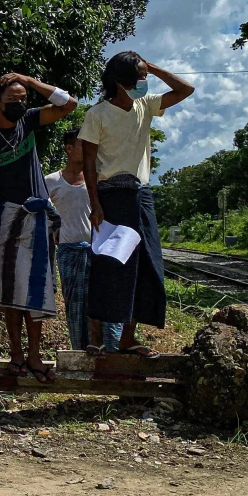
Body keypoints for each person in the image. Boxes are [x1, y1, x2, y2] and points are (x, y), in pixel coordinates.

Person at [0, 72, 77, 382]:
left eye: (23, 99)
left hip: (38, 216)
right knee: (13, 290)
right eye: (12, 100)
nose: (19, 104)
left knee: (39, 289)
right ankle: (16, 352)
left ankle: (35, 355)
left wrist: (30, 80)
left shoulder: (28, 121)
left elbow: (69, 104)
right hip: (10, 216)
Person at [80, 52, 194, 358]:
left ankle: (128, 339)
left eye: (146, 75)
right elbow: (88, 160)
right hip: (110, 194)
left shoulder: (146, 105)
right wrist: (94, 202)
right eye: (140, 76)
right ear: (120, 81)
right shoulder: (97, 114)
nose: (145, 81)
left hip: (140, 194)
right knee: (109, 264)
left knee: (144, 266)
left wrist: (153, 67)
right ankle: (96, 339)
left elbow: (185, 90)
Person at [45, 129, 123, 354]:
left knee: (105, 300)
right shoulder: (52, 181)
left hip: (99, 249)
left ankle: (110, 348)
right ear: (69, 149)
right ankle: (81, 350)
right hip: (69, 251)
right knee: (76, 304)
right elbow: (43, 215)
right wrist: (55, 233)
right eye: (83, 146)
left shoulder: (100, 178)